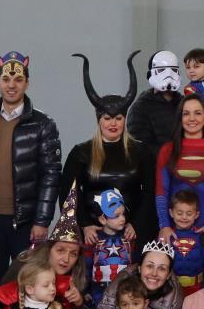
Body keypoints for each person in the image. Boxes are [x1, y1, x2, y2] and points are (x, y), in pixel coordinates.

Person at [0, 51, 62, 290]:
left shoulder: (43, 124)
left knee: (26, 286)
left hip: (25, 222)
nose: (11, 85)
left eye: (18, 80)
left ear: (26, 83)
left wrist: (42, 220)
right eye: (6, 80)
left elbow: (51, 174)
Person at [62, 52, 148, 240]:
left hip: (131, 234)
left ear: (125, 119)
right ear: (99, 120)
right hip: (93, 234)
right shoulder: (81, 153)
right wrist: (84, 224)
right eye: (107, 118)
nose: (113, 124)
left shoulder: (140, 151)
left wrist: (137, 224)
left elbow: (150, 192)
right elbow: (69, 193)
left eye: (118, 118)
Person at [155, 91, 204, 232]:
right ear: (180, 118)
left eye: (197, 113)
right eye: (186, 113)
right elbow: (161, 192)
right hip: (174, 231)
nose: (192, 118)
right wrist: (164, 226)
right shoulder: (167, 151)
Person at [126, 50, 185, 200]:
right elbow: (139, 146)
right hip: (155, 181)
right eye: (162, 70)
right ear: (151, 74)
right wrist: (173, 157)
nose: (169, 74)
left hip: (186, 178)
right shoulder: (140, 107)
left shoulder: (186, 103)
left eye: (173, 70)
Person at [83, 189, 134, 307]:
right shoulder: (94, 238)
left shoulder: (128, 235)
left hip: (125, 289)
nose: (122, 219)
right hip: (99, 290)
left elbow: (135, 263)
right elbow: (87, 266)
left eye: (123, 214)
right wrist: (85, 290)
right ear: (102, 219)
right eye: (116, 216)